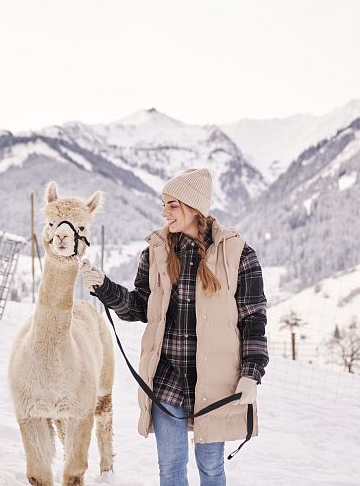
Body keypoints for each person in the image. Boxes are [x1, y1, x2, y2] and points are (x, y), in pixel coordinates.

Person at [80, 167, 269, 486]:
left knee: (210, 467)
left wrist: (251, 374)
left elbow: (253, 319)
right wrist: (104, 286)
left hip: (215, 380)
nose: (164, 212)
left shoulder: (238, 254)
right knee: (170, 467)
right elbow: (140, 306)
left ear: (195, 208)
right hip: (167, 377)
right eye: (163, 204)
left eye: (173, 205)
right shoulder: (156, 253)